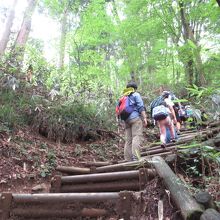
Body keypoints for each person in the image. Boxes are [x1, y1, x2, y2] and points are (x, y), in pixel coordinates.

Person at [116, 81, 147, 161]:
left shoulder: (123, 97)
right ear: (134, 88)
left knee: (128, 140)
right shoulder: (136, 94)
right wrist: (145, 118)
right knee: (136, 137)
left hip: (126, 120)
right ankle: (136, 157)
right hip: (135, 118)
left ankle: (127, 159)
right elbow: (141, 107)